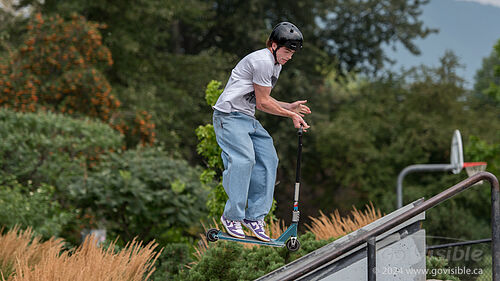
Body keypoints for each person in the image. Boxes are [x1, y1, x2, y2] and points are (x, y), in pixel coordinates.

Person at [212, 22, 311, 242]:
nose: (289, 57)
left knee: (268, 160)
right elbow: (263, 104)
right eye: (287, 52)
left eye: (292, 54)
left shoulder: (276, 64)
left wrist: (289, 106)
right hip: (228, 116)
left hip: (246, 118)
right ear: (274, 45)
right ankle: (232, 217)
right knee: (244, 159)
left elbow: (261, 98)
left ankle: (254, 218)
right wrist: (292, 116)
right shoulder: (261, 61)